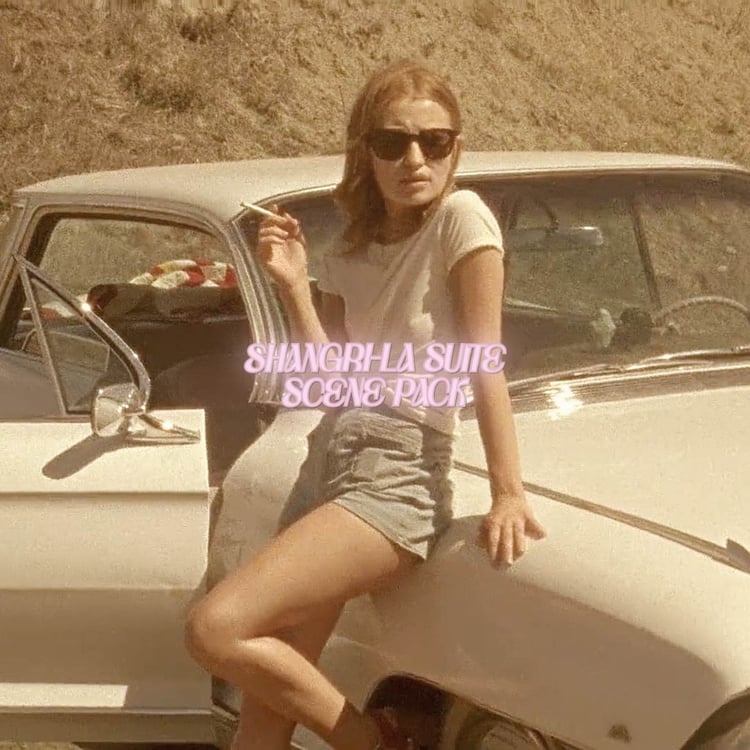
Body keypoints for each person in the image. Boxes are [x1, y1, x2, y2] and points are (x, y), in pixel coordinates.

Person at [184, 59, 546, 750]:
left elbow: (484, 358)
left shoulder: (462, 219)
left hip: (398, 475)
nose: (415, 159)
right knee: (266, 705)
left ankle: (373, 742)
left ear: (456, 148)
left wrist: (508, 490)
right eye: (392, 142)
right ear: (365, 152)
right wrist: (294, 286)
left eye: (434, 141)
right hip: (327, 459)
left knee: (215, 629)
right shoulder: (348, 251)